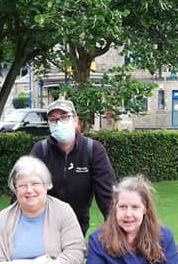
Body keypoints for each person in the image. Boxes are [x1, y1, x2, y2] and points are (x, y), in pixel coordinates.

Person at [29, 98, 116, 234]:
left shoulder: (93, 150)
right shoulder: (41, 150)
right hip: (44, 226)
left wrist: (116, 229)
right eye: (53, 120)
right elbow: (25, 187)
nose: (59, 123)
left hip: (77, 226)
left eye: (64, 117)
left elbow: (108, 195)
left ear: (75, 120)